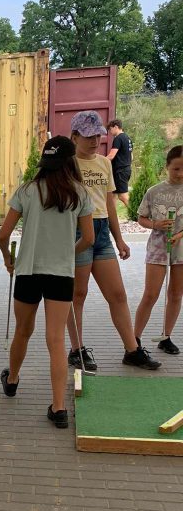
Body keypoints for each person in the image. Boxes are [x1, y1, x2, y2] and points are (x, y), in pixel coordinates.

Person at [0, 137, 94, 428]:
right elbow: (89, 239)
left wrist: (8, 259)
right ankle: (59, 408)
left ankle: (12, 380)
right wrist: (67, 253)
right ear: (70, 162)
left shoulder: (27, 190)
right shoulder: (80, 193)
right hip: (61, 274)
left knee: (23, 331)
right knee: (56, 339)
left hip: (28, 271)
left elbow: (3, 235)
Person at [66, 110, 160, 372]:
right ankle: (76, 350)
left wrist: (119, 239)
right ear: (74, 137)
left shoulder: (104, 163)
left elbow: (109, 203)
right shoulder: (67, 165)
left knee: (117, 294)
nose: (95, 141)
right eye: (88, 136)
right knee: (78, 295)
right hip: (77, 232)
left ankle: (132, 350)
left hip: (102, 233)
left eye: (98, 135)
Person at [133, 145, 183, 355]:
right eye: (176, 169)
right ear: (167, 167)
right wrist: (156, 224)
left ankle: (166, 336)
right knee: (151, 294)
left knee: (176, 294)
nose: (180, 174)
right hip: (157, 248)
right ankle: (134, 340)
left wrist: (179, 235)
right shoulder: (154, 191)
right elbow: (141, 218)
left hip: (181, 248)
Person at [107, 119, 133, 209]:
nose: (110, 132)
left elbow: (111, 156)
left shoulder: (118, 138)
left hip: (120, 171)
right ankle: (112, 216)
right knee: (113, 195)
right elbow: (131, 156)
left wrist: (99, 161)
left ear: (116, 127)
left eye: (110, 129)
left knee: (122, 196)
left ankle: (137, 214)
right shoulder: (128, 138)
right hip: (126, 169)